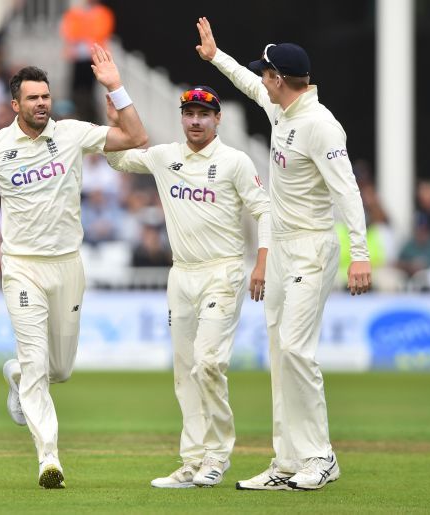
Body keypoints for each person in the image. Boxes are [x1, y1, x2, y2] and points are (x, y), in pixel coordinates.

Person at [0, 45, 147, 489]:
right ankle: (49, 459)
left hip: (68, 265)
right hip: (21, 267)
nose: (41, 104)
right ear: (15, 104)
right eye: (32, 98)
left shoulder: (72, 133)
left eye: (46, 97)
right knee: (39, 365)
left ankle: (14, 373)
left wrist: (116, 87)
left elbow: (136, 137)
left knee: (59, 370)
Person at [195, 17, 372, 491]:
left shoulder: (319, 125)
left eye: (266, 75)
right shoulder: (281, 111)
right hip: (283, 252)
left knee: (296, 349)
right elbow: (249, 85)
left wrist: (361, 253)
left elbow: (347, 191)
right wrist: (215, 58)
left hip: (313, 246)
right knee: (279, 352)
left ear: (281, 79)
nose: (263, 81)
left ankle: (321, 456)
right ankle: (288, 461)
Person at [105, 85, 271, 488]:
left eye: (204, 114)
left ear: (218, 119)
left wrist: (262, 263)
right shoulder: (165, 157)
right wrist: (115, 124)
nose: (196, 121)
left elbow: (265, 210)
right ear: (182, 118)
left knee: (209, 361)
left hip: (223, 271)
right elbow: (118, 161)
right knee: (184, 371)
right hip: (181, 274)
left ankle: (218, 455)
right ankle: (192, 461)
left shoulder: (234, 161)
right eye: (190, 114)